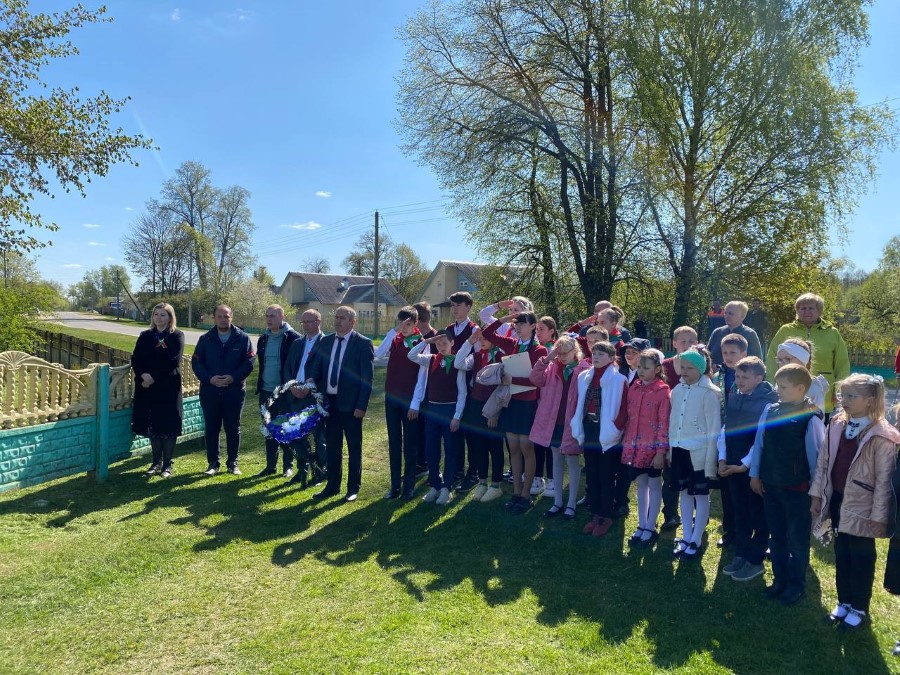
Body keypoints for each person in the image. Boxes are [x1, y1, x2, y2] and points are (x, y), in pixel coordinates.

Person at [810, 374, 900, 630]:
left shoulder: (883, 435)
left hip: (864, 509)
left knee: (861, 556)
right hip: (838, 500)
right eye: (843, 395)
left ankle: (859, 607)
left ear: (870, 400)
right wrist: (817, 495)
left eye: (852, 396)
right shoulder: (837, 423)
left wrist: (878, 517)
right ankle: (844, 601)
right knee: (842, 552)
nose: (844, 400)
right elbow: (824, 462)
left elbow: (884, 482)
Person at [749, 364, 825, 605]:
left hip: (797, 490)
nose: (777, 390)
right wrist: (755, 474)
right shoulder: (770, 410)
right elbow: (760, 443)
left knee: (797, 539)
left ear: (801, 388)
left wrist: (816, 493)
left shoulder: (810, 417)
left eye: (783, 387)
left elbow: (816, 457)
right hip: (771, 486)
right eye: (777, 385)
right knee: (777, 535)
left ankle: (796, 584)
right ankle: (779, 579)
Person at [717, 356, 778, 582]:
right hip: (732, 466)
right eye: (737, 375)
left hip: (752, 470)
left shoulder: (768, 403)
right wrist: (722, 459)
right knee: (740, 512)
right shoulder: (735, 395)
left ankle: (755, 558)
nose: (739, 380)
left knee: (757, 515)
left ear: (759, 378)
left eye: (745, 377)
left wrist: (744, 465)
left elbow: (761, 439)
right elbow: (726, 429)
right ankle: (741, 553)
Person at [306, 306, 375, 502]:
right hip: (330, 404)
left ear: (353, 321)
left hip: (352, 406)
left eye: (342, 318)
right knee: (333, 447)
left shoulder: (363, 344)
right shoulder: (326, 341)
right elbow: (317, 369)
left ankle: (353, 488)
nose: (337, 321)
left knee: (354, 448)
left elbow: (367, 379)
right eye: (336, 317)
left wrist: (361, 406)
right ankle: (332, 486)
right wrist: (309, 383)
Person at [483, 311, 548, 514]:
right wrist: (502, 320)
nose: (518, 327)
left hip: (527, 404)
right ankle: (516, 493)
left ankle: (526, 495)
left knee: (526, 448)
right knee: (513, 449)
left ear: (533, 326)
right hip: (511, 402)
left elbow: (538, 381)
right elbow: (488, 333)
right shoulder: (512, 344)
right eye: (516, 323)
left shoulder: (539, 350)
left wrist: (514, 380)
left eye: (522, 323)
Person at [571, 341, 628, 537]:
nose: (596, 356)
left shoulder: (619, 379)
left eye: (601, 354)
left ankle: (606, 515)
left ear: (611, 358)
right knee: (592, 473)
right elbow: (580, 402)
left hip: (608, 433)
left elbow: (624, 409)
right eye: (594, 353)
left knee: (606, 475)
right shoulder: (584, 377)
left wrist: (615, 429)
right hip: (590, 429)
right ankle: (595, 513)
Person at [191, 304, 256, 476]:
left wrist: (233, 378)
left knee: (232, 427)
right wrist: (209, 379)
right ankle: (213, 463)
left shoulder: (242, 338)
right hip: (210, 390)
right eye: (219, 316)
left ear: (231, 317)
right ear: (214, 318)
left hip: (234, 391)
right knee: (212, 427)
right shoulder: (205, 339)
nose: (223, 319)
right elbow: (196, 363)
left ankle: (233, 463)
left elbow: (249, 362)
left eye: (226, 316)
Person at [668, 347, 720, 559]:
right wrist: (671, 449)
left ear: (701, 369)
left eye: (690, 368)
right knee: (684, 493)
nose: (685, 371)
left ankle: (696, 538)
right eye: (683, 367)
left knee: (700, 495)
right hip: (679, 449)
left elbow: (714, 428)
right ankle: (686, 535)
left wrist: (710, 462)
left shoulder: (709, 393)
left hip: (699, 453)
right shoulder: (677, 390)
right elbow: (674, 421)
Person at [766, 292, 850, 420]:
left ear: (819, 310)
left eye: (811, 308)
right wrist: (772, 386)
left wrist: (839, 390)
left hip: (823, 393)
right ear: (797, 310)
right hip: (787, 390)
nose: (807, 311)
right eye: (803, 308)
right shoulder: (785, 330)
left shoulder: (832, 333)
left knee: (818, 425)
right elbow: (772, 358)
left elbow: (842, 363)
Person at [409, 330, 467, 505]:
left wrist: (457, 416)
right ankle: (435, 484)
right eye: (438, 343)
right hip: (433, 410)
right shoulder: (432, 359)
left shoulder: (457, 362)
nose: (441, 346)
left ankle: (447, 487)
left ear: (452, 343)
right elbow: (412, 355)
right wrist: (427, 341)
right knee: (431, 449)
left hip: (450, 411)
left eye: (445, 343)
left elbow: (462, 392)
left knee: (450, 450)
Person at [528, 335, 584, 520]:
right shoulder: (552, 367)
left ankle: (571, 503)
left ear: (575, 351)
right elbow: (535, 379)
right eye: (559, 353)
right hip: (553, 422)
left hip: (571, 424)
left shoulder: (584, 369)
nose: (562, 356)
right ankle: (557, 501)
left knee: (572, 462)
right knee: (556, 460)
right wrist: (546, 359)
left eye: (565, 353)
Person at [621, 349, 671, 547]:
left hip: (653, 447)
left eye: (646, 367)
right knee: (641, 484)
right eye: (639, 367)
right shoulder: (634, 388)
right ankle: (642, 524)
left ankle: (651, 526)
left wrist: (660, 451)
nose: (641, 371)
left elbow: (664, 422)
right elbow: (629, 417)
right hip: (635, 446)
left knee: (654, 484)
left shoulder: (663, 391)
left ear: (657, 369)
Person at [375, 306, 424, 500]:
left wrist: (415, 404)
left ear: (416, 323)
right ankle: (395, 486)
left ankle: (409, 486)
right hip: (392, 398)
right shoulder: (395, 339)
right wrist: (394, 331)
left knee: (410, 444)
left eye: (408, 324)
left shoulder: (421, 342)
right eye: (401, 324)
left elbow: (422, 377)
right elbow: (379, 354)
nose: (404, 327)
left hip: (410, 401)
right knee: (394, 441)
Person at [131, 302, 184, 478]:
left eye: (163, 315)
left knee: (168, 424)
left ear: (170, 317)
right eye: (156, 314)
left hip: (168, 385)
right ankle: (155, 462)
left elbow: (174, 360)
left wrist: (153, 377)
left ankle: (167, 464)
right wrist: (143, 376)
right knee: (153, 424)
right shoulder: (145, 336)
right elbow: (136, 358)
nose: (159, 318)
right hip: (147, 387)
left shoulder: (176, 335)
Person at [455, 327, 505, 502]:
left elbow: (504, 388)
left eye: (486, 338)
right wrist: (469, 341)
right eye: (480, 338)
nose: (482, 341)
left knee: (495, 446)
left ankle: (496, 485)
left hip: (493, 407)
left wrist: (495, 413)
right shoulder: (476, 356)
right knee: (479, 445)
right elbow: (458, 363)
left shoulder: (502, 358)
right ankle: (482, 482)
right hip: (476, 407)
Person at [255, 305, 301, 478]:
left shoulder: (293, 338)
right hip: (266, 392)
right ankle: (270, 466)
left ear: (282, 316)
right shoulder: (263, 338)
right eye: (267, 316)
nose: (269, 319)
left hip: (284, 392)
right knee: (269, 429)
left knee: (286, 430)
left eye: (273, 316)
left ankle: (288, 466)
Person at [283, 309, 327, 485]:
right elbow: (287, 368)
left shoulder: (326, 343)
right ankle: (302, 471)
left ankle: (319, 472)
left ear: (318, 322)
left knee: (317, 438)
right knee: (298, 436)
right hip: (296, 396)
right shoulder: (297, 343)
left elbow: (326, 371)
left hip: (313, 397)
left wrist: (309, 387)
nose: (306, 325)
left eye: (310, 321)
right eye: (304, 322)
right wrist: (292, 386)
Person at [772, 338, 829, 413]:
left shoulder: (813, 388)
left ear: (802, 360)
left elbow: (818, 416)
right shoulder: (780, 383)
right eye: (779, 359)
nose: (781, 363)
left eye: (787, 359)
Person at [708, 302, 763, 370]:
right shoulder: (717, 332)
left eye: (731, 313)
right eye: (725, 313)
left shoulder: (749, 334)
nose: (727, 316)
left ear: (742, 316)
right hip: (715, 375)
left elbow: (757, 361)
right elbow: (707, 356)